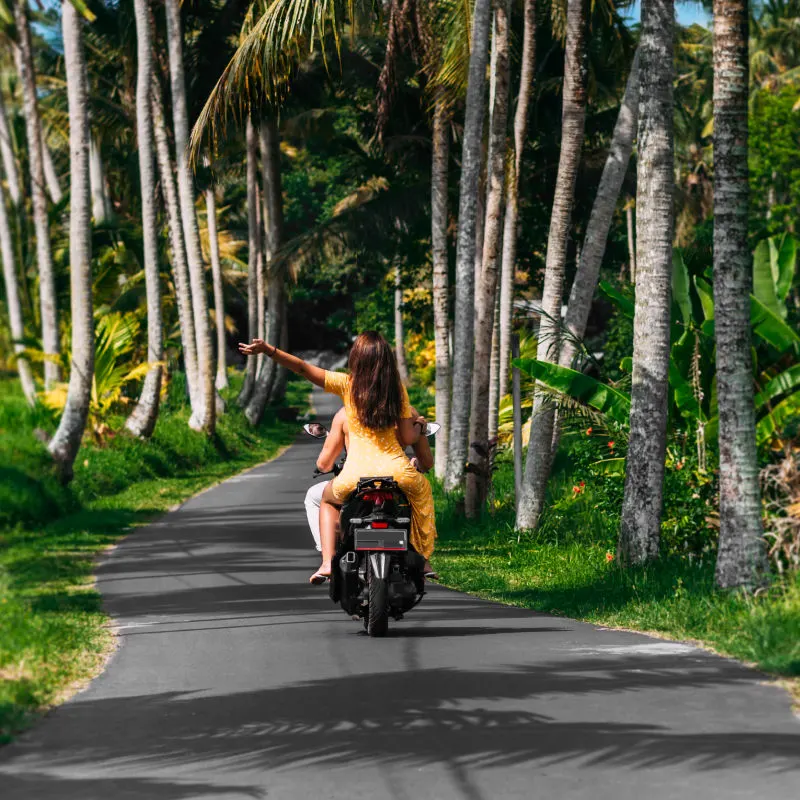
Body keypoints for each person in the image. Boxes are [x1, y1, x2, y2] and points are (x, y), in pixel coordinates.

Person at [239, 331, 437, 584]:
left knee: (327, 501)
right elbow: (408, 438)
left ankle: (327, 563)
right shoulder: (396, 391)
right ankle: (422, 560)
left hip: (355, 474)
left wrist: (269, 350)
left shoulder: (347, 385)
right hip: (396, 471)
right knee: (421, 493)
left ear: (356, 359)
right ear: (388, 360)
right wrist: (420, 425)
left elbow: (302, 367)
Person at [304, 405, 433, 553]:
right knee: (422, 496)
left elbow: (323, 464)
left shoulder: (346, 413)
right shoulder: (407, 411)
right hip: (398, 476)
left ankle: (327, 557)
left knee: (319, 497)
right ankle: (423, 558)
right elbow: (427, 462)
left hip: (355, 477)